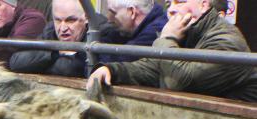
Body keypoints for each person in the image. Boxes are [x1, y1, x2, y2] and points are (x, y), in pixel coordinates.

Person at [88, 0, 257, 101]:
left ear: (204, 4)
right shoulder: (187, 34)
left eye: (180, 1)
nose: (171, 9)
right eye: (169, 3)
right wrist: (112, 70)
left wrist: (167, 38)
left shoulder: (226, 40)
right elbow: (154, 67)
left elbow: (179, 82)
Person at [11, 0, 117, 77]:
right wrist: (55, 54)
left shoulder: (102, 30)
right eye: (57, 20)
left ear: (86, 17)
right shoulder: (50, 29)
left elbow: (71, 68)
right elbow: (16, 62)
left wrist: (39, 65)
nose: (62, 28)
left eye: (70, 20)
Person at [100, 0, 167, 62]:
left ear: (132, 12)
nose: (109, 19)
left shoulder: (155, 32)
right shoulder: (132, 29)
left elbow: (118, 60)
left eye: (114, 13)